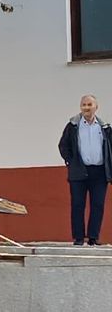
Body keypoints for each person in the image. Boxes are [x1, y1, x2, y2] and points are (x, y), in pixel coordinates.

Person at [58, 94, 112, 246]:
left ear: (96, 107)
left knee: (98, 204)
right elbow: (63, 145)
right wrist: (71, 161)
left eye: (89, 105)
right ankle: (79, 238)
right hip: (79, 171)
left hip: (99, 172)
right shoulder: (73, 126)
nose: (86, 108)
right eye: (84, 105)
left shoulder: (104, 127)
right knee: (78, 204)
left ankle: (93, 237)